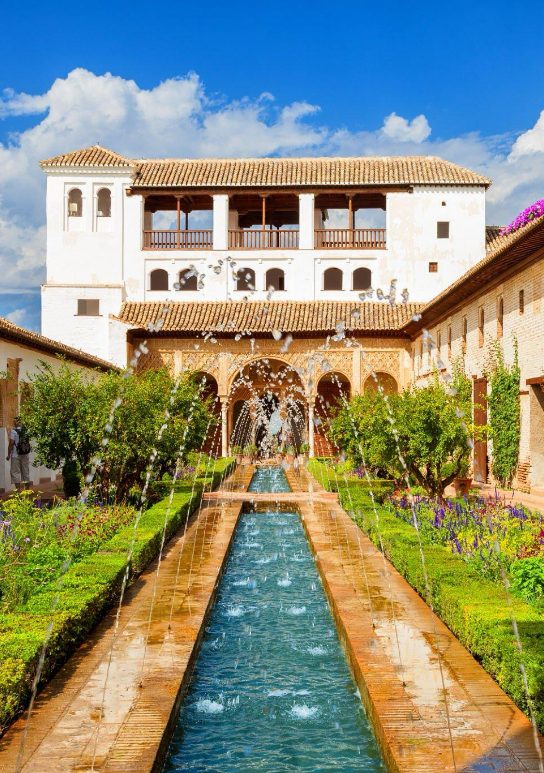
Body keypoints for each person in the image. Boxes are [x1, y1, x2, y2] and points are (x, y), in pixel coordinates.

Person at [6, 416, 31, 490]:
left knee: (15, 472)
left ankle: (18, 492)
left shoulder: (14, 431)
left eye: (14, 421)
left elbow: (11, 443)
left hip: (15, 455)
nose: (14, 422)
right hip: (25, 454)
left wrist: (8, 455)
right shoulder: (26, 430)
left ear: (16, 422)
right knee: (25, 472)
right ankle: (27, 491)